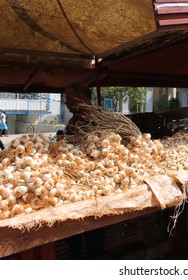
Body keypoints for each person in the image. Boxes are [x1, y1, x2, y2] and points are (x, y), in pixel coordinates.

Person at [61, 82, 105, 259]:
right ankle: (76, 249)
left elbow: (105, 148)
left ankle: (94, 258)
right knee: (70, 220)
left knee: (93, 222)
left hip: (95, 179)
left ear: (81, 98)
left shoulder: (98, 118)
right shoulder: (74, 120)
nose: (66, 103)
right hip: (75, 177)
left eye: (69, 99)